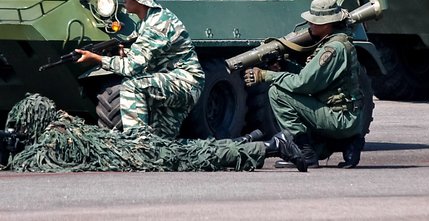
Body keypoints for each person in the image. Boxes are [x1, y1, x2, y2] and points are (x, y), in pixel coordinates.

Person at [4, 93, 307, 173]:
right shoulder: (64, 126)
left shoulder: (54, 139)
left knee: (195, 158)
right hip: (133, 145)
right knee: (193, 149)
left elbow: (30, 161)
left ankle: (271, 145)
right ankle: (245, 140)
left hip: (138, 155)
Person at [74, 0, 204, 140]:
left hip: (185, 83)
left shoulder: (157, 23)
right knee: (161, 142)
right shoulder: (146, 21)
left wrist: (97, 59)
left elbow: (131, 67)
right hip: (170, 81)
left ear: (139, 0)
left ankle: (137, 143)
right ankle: (147, 153)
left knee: (131, 86)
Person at [244, 0, 366, 168]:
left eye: (314, 22)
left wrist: (266, 75)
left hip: (340, 118)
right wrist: (283, 67)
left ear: (326, 24)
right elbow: (315, 78)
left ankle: (305, 153)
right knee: (320, 149)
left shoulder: (333, 49)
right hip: (347, 116)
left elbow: (303, 83)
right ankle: (348, 142)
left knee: (277, 93)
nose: (309, 25)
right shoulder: (337, 43)